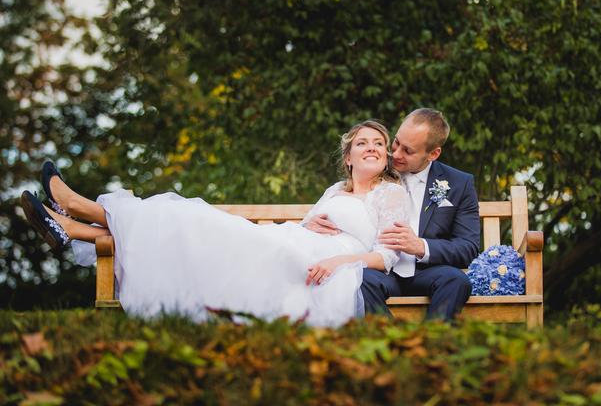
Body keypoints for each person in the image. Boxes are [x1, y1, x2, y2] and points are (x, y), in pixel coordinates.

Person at [20, 120, 411, 327]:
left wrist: (338, 262)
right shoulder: (335, 190)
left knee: (196, 220)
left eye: (379, 143)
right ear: (348, 158)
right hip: (295, 243)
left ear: (385, 158)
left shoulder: (390, 193)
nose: (372, 147)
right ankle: (77, 223)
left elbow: (388, 256)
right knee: (191, 222)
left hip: (325, 265)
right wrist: (311, 226)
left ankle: (77, 214)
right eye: (362, 142)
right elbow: (308, 224)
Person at [304, 109, 481, 320]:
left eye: (408, 151)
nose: (395, 154)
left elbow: (468, 247)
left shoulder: (458, 183)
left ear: (433, 154)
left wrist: (421, 246)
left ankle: (434, 337)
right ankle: (391, 338)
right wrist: (312, 225)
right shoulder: (374, 165)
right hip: (378, 270)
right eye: (396, 143)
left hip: (426, 272)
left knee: (456, 280)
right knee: (360, 279)